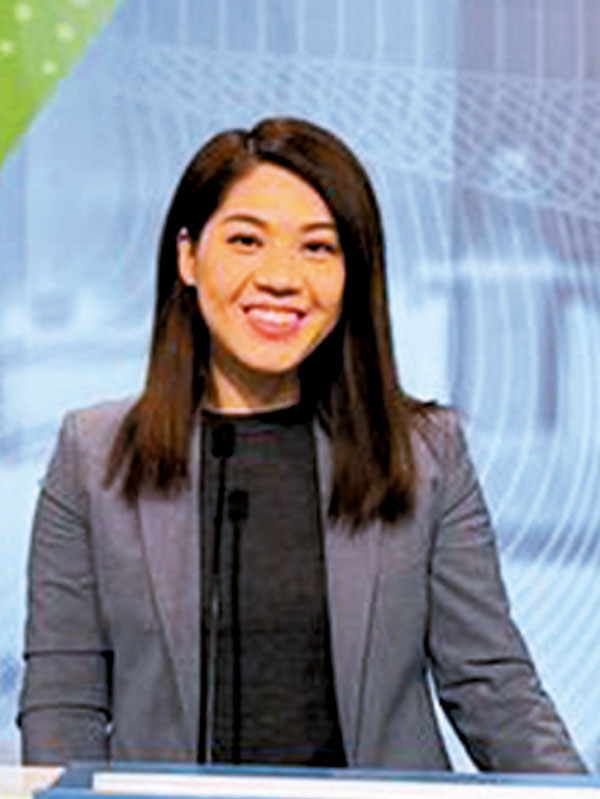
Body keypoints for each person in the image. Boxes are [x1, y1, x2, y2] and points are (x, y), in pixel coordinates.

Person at [18, 118, 585, 771]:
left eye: (318, 247)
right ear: (188, 256)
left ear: (353, 273)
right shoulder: (92, 456)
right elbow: (63, 704)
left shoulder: (426, 454)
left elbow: (495, 691)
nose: (282, 277)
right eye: (246, 240)